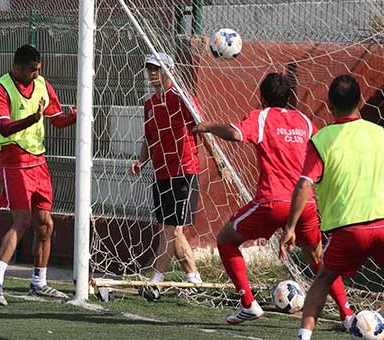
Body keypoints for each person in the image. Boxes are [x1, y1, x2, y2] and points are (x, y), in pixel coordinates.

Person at [194, 72, 353, 325]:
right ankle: (347, 315)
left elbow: (235, 134)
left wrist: (209, 126)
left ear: (262, 96)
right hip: (306, 204)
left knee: (225, 240)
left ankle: (249, 304)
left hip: (273, 203)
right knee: (321, 261)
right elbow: (324, 150)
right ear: (290, 97)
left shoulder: (261, 116)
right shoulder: (304, 120)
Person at [279, 75, 384, 340]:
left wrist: (290, 227)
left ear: (328, 104)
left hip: (349, 229)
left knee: (323, 278)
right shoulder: (380, 134)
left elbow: (304, 185)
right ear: (360, 101)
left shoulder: (322, 139)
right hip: (382, 223)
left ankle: (304, 336)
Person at [0, 44, 76, 306]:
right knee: (22, 221)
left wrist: (75, 116)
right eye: (32, 70)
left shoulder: (43, 84)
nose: (36, 75)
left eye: (38, 70)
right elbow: (3, 128)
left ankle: (39, 282)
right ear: (17, 67)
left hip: (39, 162)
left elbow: (56, 118)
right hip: (14, 161)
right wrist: (32, 119)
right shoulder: (0, 89)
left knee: (45, 224)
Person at [130, 52, 203, 301]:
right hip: (160, 173)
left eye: (156, 68)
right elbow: (148, 139)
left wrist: (218, 161)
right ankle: (194, 279)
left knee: (170, 231)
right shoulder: (149, 104)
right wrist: (141, 161)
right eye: (149, 68)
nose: (152, 73)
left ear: (169, 70)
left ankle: (156, 281)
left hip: (184, 171)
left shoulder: (181, 98)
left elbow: (201, 128)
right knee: (170, 229)